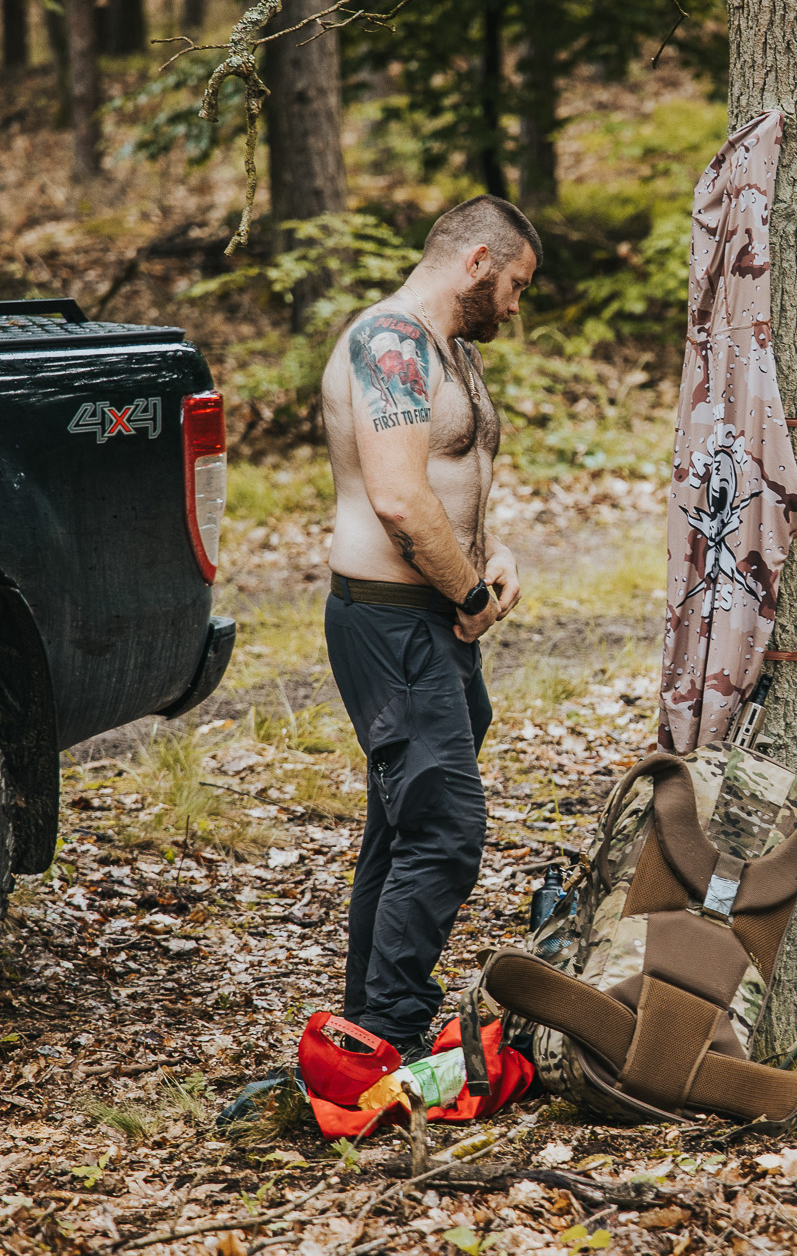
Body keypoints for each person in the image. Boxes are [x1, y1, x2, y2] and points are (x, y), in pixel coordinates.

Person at [320, 195, 538, 1059]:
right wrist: (471, 599)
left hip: (436, 620)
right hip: (393, 622)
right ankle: (393, 1032)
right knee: (444, 828)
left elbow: (451, 483)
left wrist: (492, 553)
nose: (516, 307)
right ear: (477, 260)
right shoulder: (390, 341)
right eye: (516, 284)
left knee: (404, 823)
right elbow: (401, 498)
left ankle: (364, 1022)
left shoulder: (447, 349)